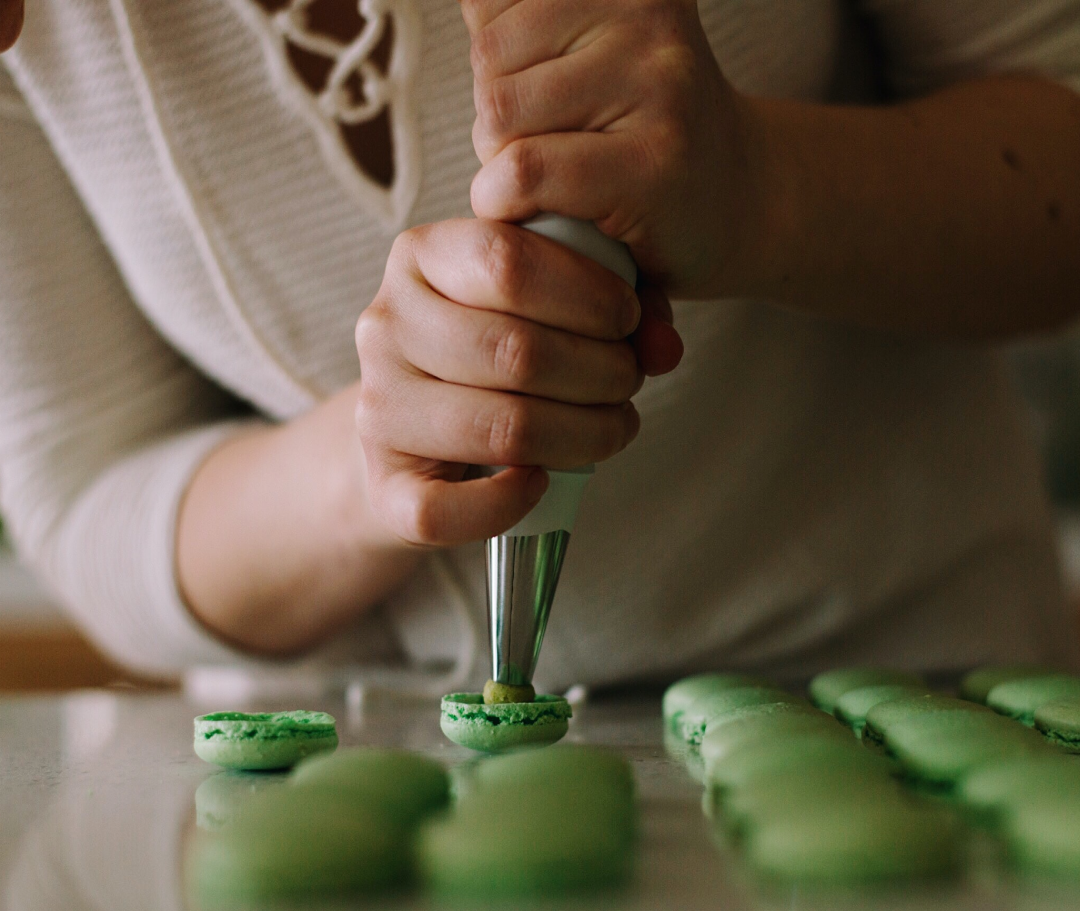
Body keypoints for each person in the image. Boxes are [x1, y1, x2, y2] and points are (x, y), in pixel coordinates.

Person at [1, 0, 1078, 690]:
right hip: (344, 879)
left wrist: (758, 187)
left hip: (907, 720)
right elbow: (80, 490)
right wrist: (371, 461)